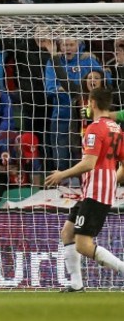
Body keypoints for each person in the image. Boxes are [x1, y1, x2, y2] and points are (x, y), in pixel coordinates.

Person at [45, 88, 124, 292]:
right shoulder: (116, 128)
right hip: (95, 190)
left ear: (93, 103)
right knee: (67, 233)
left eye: (88, 103)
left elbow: (89, 163)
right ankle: (76, 284)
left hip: (96, 192)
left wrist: (62, 174)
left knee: (83, 245)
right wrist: (112, 179)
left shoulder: (95, 128)